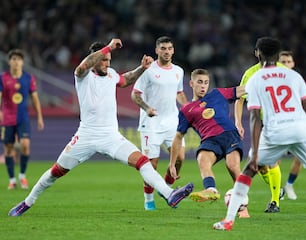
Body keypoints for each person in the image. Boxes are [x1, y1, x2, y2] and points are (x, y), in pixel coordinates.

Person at [8, 38, 194, 217]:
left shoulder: (111, 74)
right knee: (56, 172)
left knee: (143, 162)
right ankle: (27, 202)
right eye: (104, 60)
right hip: (86, 136)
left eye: (109, 61)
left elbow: (125, 80)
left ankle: (170, 195)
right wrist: (109, 47)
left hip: (111, 136)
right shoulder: (82, 76)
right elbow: (85, 64)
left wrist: (141, 69)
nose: (107, 63)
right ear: (96, 59)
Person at [213, 37, 306, 233]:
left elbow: (254, 117)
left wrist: (254, 154)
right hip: (301, 129)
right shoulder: (293, 76)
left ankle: (228, 221)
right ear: (279, 56)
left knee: (248, 171)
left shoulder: (255, 79)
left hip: (275, 130)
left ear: (258, 54)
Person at [169, 68, 249, 218]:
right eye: (199, 82)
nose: (203, 86)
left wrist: (261, 82)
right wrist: (172, 163)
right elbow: (178, 137)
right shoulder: (187, 110)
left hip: (229, 135)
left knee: (232, 166)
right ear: (191, 84)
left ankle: (243, 207)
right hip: (210, 140)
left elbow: (242, 90)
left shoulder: (217, 94)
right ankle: (211, 190)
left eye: (206, 82)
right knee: (202, 159)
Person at [131, 36, 188, 211]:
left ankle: (165, 189)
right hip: (151, 124)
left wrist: (187, 107)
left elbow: (179, 92)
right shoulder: (148, 70)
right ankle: (149, 200)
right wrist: (146, 108)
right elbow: (135, 94)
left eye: (170, 48)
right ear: (157, 50)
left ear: (173, 50)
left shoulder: (178, 70)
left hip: (172, 122)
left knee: (179, 159)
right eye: (163, 48)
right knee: (151, 165)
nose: (167, 51)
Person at [234, 40, 284, 213]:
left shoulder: (283, 72)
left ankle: (275, 201)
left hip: (279, 123)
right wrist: (238, 122)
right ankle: (277, 189)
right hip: (261, 124)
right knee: (262, 165)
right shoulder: (250, 74)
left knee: (269, 162)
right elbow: (239, 99)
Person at [0, 49, 44, 190]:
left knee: (25, 145)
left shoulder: (29, 78)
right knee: (8, 149)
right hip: (6, 118)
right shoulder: (3, 77)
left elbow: (35, 98)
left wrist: (39, 117)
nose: (16, 62)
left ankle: (22, 176)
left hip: (23, 117)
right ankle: (12, 180)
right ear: (9, 62)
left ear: (23, 62)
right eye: (13, 59)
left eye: (18, 59)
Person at [279, 50, 302, 200]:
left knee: (300, 157)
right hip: (278, 125)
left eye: (289, 62)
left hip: (295, 124)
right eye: (283, 62)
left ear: (293, 64)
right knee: (274, 160)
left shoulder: (297, 80)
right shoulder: (272, 80)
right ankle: (278, 188)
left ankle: (289, 185)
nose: (286, 65)